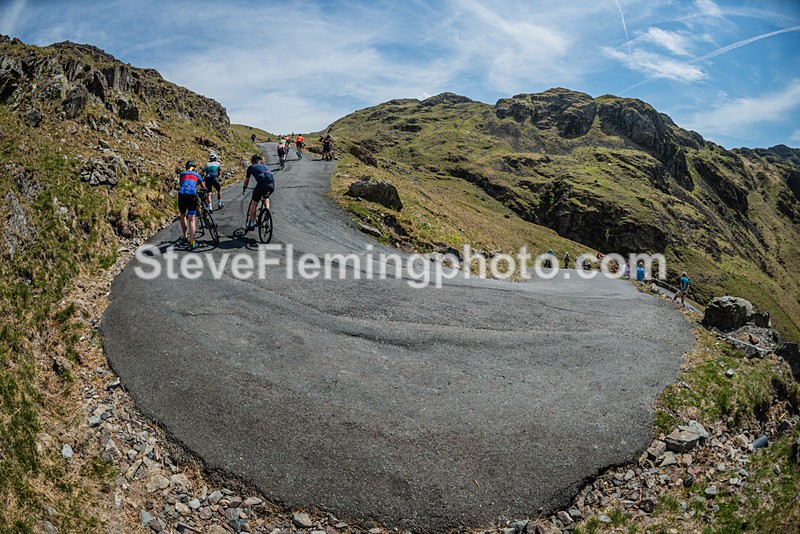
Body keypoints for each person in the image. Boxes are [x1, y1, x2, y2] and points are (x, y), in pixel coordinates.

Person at [242, 153, 275, 231]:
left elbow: (247, 180)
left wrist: (244, 187)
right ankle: (267, 211)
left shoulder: (251, 167)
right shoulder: (266, 166)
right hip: (271, 185)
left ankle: (252, 223)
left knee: (254, 203)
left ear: (253, 162)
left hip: (261, 185)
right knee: (265, 198)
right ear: (260, 161)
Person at [177, 160, 204, 250]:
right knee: (192, 219)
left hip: (182, 195)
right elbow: (202, 185)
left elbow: (182, 184)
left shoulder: (182, 174)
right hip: (192, 195)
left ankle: (185, 236)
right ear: (194, 167)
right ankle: (192, 242)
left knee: (182, 215)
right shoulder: (197, 174)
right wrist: (205, 189)